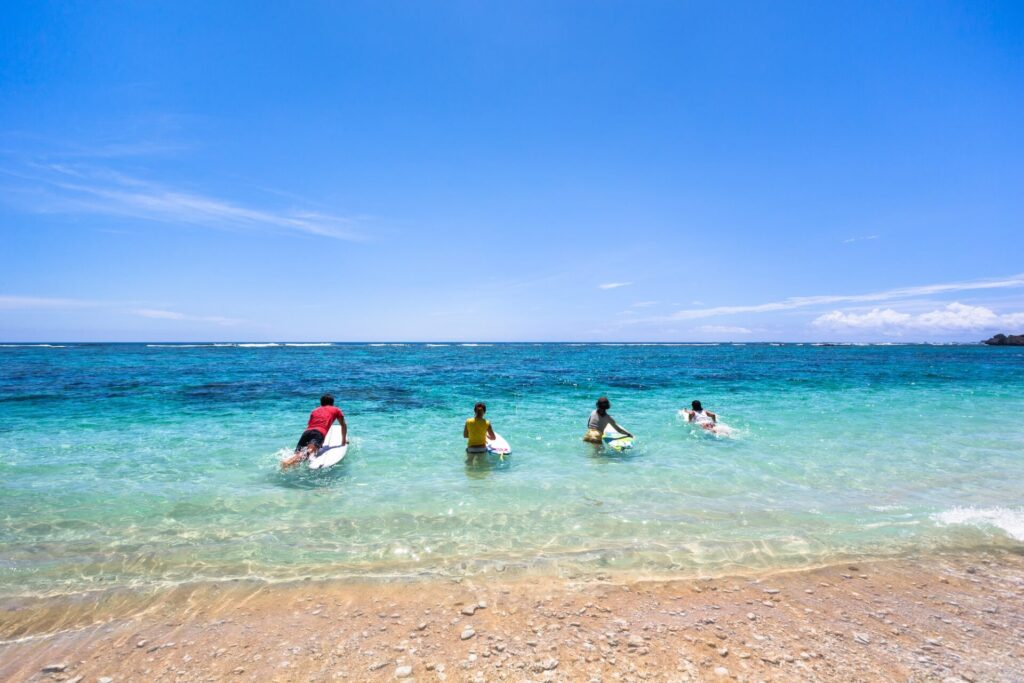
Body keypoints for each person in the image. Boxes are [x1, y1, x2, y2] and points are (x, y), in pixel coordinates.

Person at [281, 394, 347, 469]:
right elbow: (343, 425)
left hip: (306, 432)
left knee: (299, 454)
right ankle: (287, 463)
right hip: (318, 433)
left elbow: (311, 424)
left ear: (321, 403)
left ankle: (287, 466)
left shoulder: (314, 411)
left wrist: (320, 443)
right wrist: (343, 441)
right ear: (332, 403)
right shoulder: (336, 409)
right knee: (308, 453)